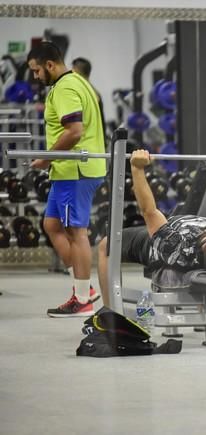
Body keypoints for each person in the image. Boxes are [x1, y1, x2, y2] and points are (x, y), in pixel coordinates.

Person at [97, 150, 206, 307]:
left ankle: (109, 312)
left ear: (199, 249)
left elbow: (149, 211)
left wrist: (136, 168)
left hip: (152, 243)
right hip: (180, 219)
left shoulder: (177, 247)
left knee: (106, 245)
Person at [27, 41, 106, 317]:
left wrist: (47, 157)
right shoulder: (78, 81)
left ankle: (82, 298)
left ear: (50, 65)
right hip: (69, 171)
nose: (36, 77)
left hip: (76, 170)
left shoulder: (65, 88)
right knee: (51, 224)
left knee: (76, 232)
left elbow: (74, 131)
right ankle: (84, 285)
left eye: (37, 71)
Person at [71, 57, 107, 144]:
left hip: (87, 145)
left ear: (76, 71)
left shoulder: (84, 93)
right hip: (95, 142)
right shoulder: (94, 92)